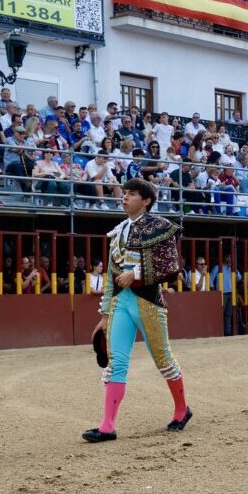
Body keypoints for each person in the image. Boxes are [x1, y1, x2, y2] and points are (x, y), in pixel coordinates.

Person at [83, 179, 189, 443]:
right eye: (125, 193)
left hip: (148, 301)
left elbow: (171, 267)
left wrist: (136, 273)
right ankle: (107, 426)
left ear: (146, 201)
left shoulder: (160, 227)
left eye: (131, 194)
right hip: (121, 302)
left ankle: (181, 409)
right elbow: (111, 275)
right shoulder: (118, 232)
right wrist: (104, 314)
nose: (124, 197)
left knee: (163, 359)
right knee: (116, 362)